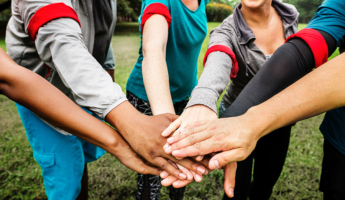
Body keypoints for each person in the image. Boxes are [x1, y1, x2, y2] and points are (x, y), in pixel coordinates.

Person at [5, 0, 207, 199]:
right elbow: (64, 46)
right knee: (65, 174)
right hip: (42, 92)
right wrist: (127, 122)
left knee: (81, 156)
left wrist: (108, 109)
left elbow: (101, 36)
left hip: (88, 90)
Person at [163, 0, 345, 199]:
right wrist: (203, 100)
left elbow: (305, 52)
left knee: (266, 182)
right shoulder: (226, 31)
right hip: (234, 120)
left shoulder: (289, 15)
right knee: (236, 189)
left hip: (279, 118)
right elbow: (218, 57)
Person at [125, 0, 209, 199]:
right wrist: (166, 119)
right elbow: (153, 50)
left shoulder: (202, 2)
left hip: (184, 98)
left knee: (183, 165)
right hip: (147, 98)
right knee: (155, 169)